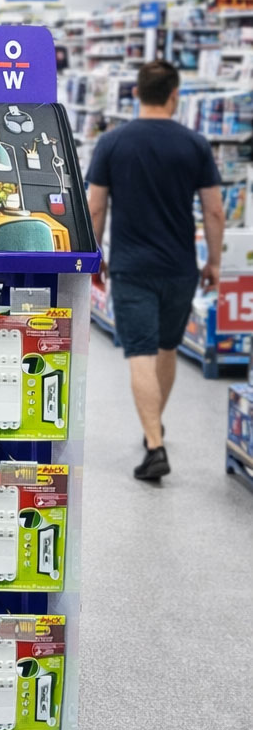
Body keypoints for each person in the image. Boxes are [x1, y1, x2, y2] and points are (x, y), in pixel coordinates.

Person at [86, 59, 224, 483]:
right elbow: (215, 210)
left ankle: (154, 444)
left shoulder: (112, 143)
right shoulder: (195, 144)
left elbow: (95, 205)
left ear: (135, 94)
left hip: (131, 266)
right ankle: (153, 430)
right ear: (174, 95)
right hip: (180, 267)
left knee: (140, 353)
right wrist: (214, 261)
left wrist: (95, 255)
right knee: (166, 349)